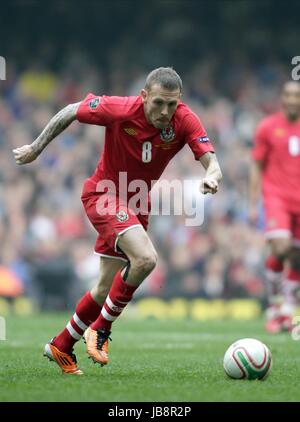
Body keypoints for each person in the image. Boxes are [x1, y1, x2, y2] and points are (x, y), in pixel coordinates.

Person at [13, 67, 222, 375]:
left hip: (137, 202)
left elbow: (213, 162)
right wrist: (36, 147)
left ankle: (61, 344)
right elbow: (72, 110)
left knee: (102, 288)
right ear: (144, 96)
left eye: (172, 104)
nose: (165, 112)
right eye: (159, 103)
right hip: (104, 194)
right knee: (146, 259)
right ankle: (101, 329)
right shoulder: (120, 108)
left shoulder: (185, 119)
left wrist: (211, 176)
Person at [249, 81, 300, 333]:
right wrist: (252, 202)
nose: (292, 99)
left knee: (298, 258)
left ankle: (288, 312)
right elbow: (257, 165)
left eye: (296, 95)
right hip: (277, 197)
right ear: (282, 98)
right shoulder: (268, 127)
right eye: (288, 94)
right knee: (280, 247)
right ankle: (273, 307)